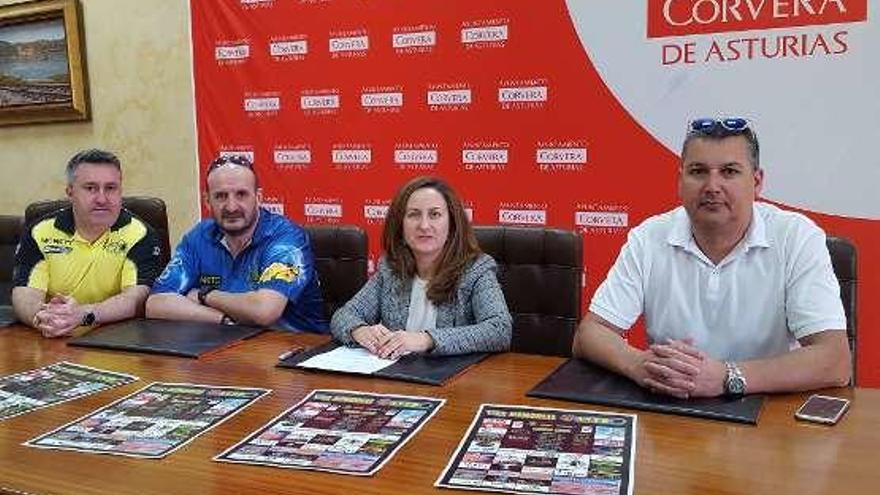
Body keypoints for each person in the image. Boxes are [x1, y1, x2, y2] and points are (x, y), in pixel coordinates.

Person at [572, 117, 851, 398]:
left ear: (757, 182)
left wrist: (726, 377)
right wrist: (639, 364)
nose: (712, 186)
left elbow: (835, 361)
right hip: (673, 407)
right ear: (680, 181)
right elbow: (590, 333)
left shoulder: (796, 237)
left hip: (767, 412)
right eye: (698, 171)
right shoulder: (649, 237)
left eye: (729, 171)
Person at [331, 176, 512, 357]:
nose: (424, 225)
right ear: (400, 226)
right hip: (396, 376)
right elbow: (344, 316)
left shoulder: (476, 270)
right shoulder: (390, 270)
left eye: (435, 214)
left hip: (454, 380)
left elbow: (499, 329)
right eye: (414, 214)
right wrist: (359, 331)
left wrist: (426, 339)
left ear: (452, 225)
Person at [146, 155, 326, 332]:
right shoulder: (199, 236)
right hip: (223, 344)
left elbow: (264, 311)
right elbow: (156, 303)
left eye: (241, 194)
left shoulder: (286, 239)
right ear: (207, 201)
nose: (231, 207)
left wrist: (205, 295)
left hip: (294, 349)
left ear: (258, 197)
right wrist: (223, 320)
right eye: (221, 196)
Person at [12, 149, 162, 338]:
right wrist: (42, 318)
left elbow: (136, 299)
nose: (101, 199)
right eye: (90, 188)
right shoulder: (40, 232)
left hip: (115, 339)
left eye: (110, 188)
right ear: (70, 192)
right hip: (50, 338)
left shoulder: (140, 234)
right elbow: (24, 292)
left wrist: (83, 315)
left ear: (120, 191)